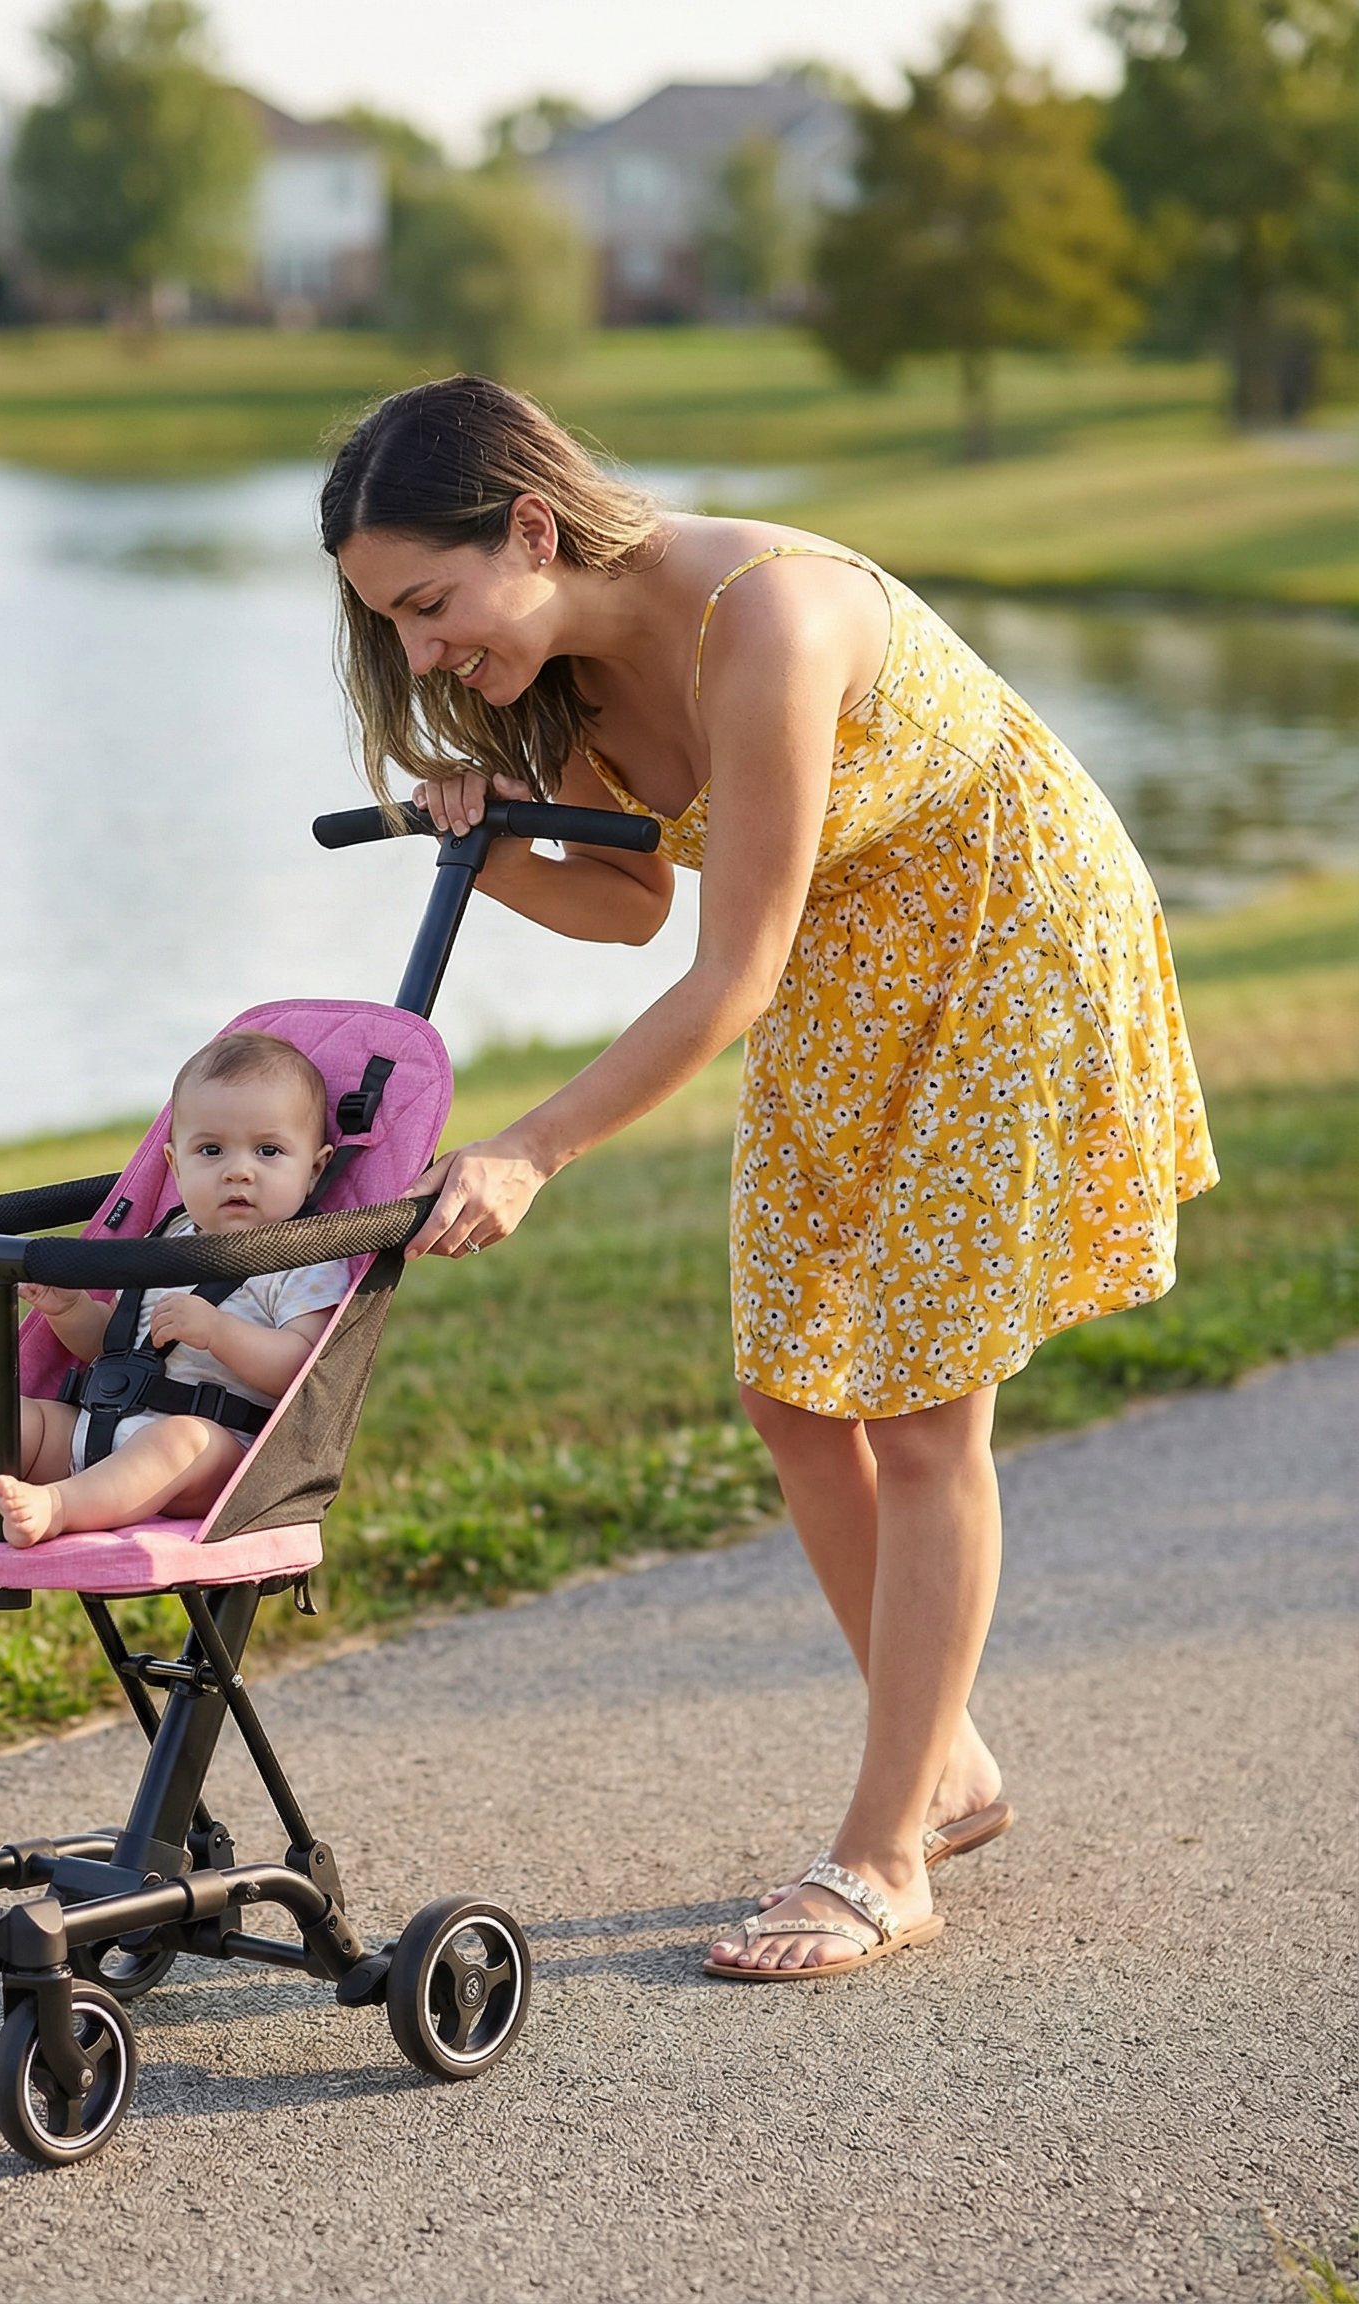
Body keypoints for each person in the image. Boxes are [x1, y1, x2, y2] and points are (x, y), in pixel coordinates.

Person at [322, 375, 1215, 1982]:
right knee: (795, 1391)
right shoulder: (578, 679)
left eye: (430, 604)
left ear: (532, 525)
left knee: (926, 1407)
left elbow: (729, 969)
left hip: (1008, 943)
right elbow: (629, 911)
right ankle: (944, 1757)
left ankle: (888, 1855)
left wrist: (532, 1147)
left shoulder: (771, 618)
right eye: (392, 624)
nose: (420, 653)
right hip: (844, 964)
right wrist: (493, 842)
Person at [0, 1032, 350, 1550]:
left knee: (180, 1438)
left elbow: (304, 1370)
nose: (238, 1170)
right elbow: (114, 1351)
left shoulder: (306, 1259)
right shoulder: (167, 1239)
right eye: (211, 1150)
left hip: (216, 1459)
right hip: (100, 1432)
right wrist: (71, 1310)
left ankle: (60, 1505)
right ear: (176, 1168)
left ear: (313, 1168)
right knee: (10, 1411)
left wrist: (219, 1332)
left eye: (268, 1151)